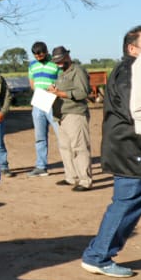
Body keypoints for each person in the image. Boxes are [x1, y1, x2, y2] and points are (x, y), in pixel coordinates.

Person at [80, 26, 141, 277]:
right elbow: (135, 109)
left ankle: (99, 254)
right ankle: (98, 256)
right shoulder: (130, 72)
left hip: (128, 146)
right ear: (132, 47)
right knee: (127, 202)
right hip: (129, 148)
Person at [48, 46, 92, 191]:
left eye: (61, 59)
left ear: (68, 56)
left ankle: (85, 180)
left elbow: (83, 92)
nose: (59, 63)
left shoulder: (77, 71)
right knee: (65, 147)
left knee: (79, 148)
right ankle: (71, 177)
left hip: (75, 114)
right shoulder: (62, 73)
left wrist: (61, 93)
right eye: (56, 61)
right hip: (61, 115)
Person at [27, 41, 60, 176]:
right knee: (40, 137)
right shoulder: (32, 65)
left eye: (40, 55)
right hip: (39, 101)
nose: (38, 58)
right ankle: (41, 166)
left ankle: (72, 165)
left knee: (61, 134)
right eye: (35, 56)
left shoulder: (55, 63)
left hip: (54, 100)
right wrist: (38, 91)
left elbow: (62, 79)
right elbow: (32, 83)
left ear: (46, 52)